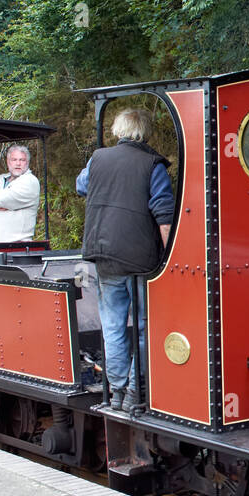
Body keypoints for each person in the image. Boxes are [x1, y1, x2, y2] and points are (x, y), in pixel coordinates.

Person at [77, 108, 175, 411]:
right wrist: (170, 257)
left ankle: (116, 391)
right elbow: (164, 214)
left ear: (119, 130)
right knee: (146, 325)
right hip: (140, 258)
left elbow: (82, 186)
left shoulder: (98, 158)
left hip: (104, 252)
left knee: (113, 324)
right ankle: (135, 389)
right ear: (145, 133)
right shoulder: (152, 164)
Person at [0, 144, 40, 242]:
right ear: (8, 162)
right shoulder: (0, 179)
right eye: (14, 160)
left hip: (16, 247)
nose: (18, 163)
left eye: (22, 160)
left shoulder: (30, 181)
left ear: (27, 162)